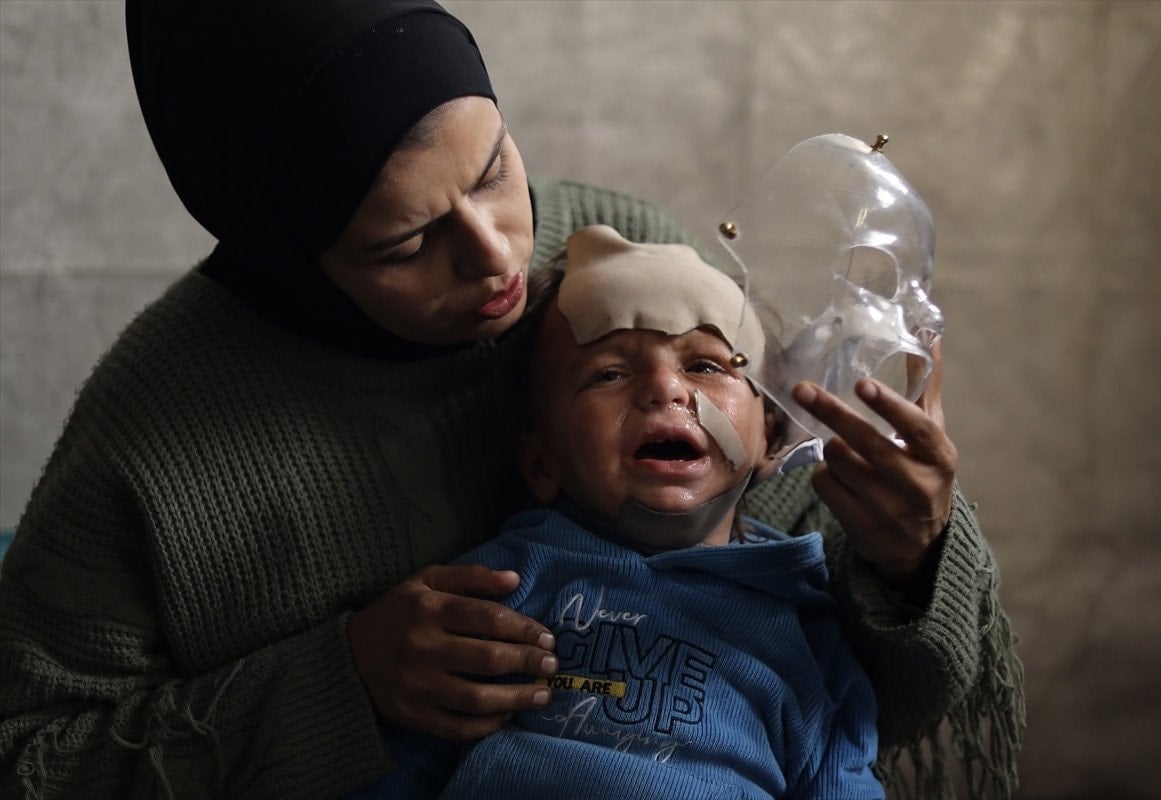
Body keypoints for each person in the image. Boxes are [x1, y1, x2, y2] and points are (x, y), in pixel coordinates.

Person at [0, 2, 1023, 799]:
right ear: (291, 261)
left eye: (494, 170)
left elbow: (877, 686)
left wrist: (910, 557)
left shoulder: (608, 258)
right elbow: (32, 760)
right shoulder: (152, 439)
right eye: (406, 242)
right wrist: (337, 686)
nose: (498, 257)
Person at [348, 224, 887, 800]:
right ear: (540, 463)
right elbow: (400, 763)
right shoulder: (501, 586)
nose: (664, 389)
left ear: (772, 438)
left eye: (707, 367)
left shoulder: (808, 622)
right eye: (608, 374)